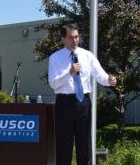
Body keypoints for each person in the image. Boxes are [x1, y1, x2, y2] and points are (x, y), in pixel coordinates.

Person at [48, 23, 117, 165]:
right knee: (64, 144)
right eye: (71, 38)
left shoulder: (87, 55)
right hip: (64, 103)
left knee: (84, 142)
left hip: (83, 103)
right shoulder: (55, 58)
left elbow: (100, 75)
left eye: (77, 37)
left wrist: (109, 81)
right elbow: (53, 83)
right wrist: (69, 73)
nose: (75, 41)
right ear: (62, 38)